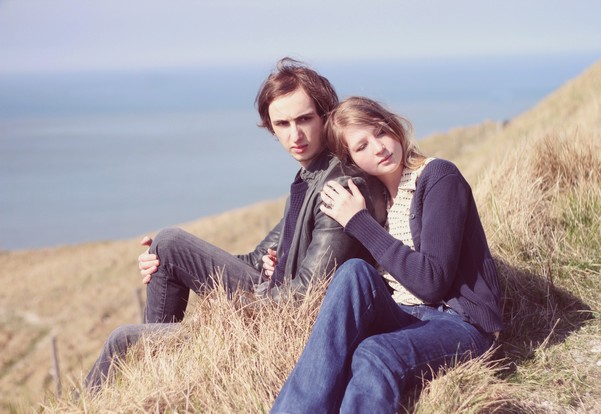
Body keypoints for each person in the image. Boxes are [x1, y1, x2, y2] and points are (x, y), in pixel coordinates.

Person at [84, 61, 387, 392]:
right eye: (282, 124)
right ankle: (160, 369)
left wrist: (220, 315)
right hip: (271, 299)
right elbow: (258, 260)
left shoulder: (337, 185)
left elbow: (306, 300)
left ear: (326, 116)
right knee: (167, 244)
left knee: (123, 340)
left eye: (304, 119)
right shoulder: (309, 177)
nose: (294, 135)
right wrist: (164, 262)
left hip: (290, 326)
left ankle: (150, 368)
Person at [271, 97, 504, 413]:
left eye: (381, 132)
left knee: (375, 352)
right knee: (353, 271)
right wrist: (280, 263)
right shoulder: (376, 200)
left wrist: (358, 222)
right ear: (350, 160)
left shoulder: (438, 178)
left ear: (394, 128)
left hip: (461, 324)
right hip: (404, 315)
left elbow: (432, 282)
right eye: (362, 146)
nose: (379, 147)